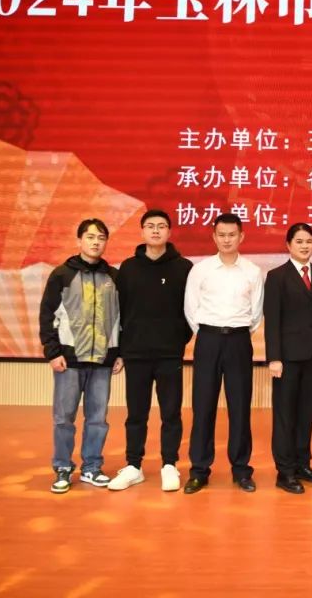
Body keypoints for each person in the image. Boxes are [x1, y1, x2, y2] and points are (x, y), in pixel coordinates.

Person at [108, 209, 193, 492]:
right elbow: (120, 311)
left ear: (169, 231)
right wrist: (122, 349)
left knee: (171, 413)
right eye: (150, 226)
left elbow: (191, 311)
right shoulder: (128, 268)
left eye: (161, 226)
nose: (156, 230)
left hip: (169, 354)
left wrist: (178, 339)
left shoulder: (184, 268)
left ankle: (169, 464)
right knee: (136, 414)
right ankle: (134, 466)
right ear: (142, 231)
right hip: (136, 354)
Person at [39, 218, 123, 494]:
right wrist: (52, 352)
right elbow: (47, 315)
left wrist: (119, 353)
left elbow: (121, 319)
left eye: (101, 237)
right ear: (79, 240)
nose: (96, 242)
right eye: (90, 237)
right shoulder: (62, 275)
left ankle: (91, 467)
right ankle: (63, 467)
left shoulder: (114, 277)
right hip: (69, 360)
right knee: (64, 418)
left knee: (98, 418)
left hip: (102, 361)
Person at [183, 213, 265, 494]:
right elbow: (191, 309)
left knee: (239, 406)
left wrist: (235, 333)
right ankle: (199, 470)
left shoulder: (252, 271)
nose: (227, 239)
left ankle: (241, 469)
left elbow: (256, 314)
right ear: (214, 237)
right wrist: (209, 334)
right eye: (222, 235)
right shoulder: (201, 270)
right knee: (203, 406)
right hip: (208, 340)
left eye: (232, 235)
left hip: (239, 341)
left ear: (241, 236)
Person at [263, 223, 312, 494]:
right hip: (288, 358)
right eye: (299, 241)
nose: (305, 246)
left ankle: (303, 464)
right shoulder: (277, 276)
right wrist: (274, 357)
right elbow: (272, 320)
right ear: (288, 245)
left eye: (308, 241)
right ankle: (285, 471)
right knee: (285, 414)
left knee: (306, 413)